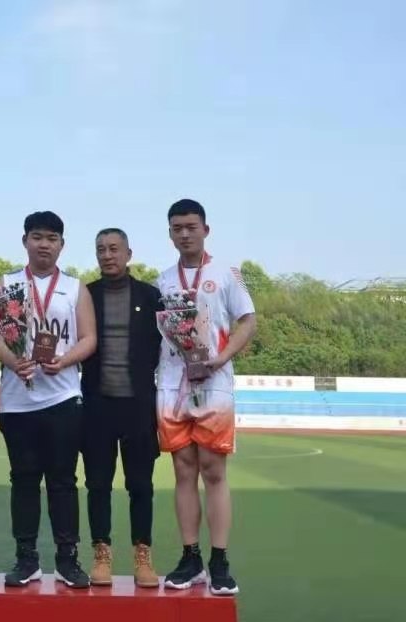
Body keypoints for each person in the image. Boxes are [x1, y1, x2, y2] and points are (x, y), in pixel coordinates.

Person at [0, 211, 97, 589]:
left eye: (52, 238)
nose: (44, 244)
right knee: (23, 480)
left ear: (61, 245)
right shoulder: (6, 284)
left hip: (63, 397)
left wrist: (63, 361)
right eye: (37, 237)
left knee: (63, 481)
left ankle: (67, 560)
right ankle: (27, 559)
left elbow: (89, 338)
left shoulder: (75, 288)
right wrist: (12, 361)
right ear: (25, 241)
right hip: (17, 401)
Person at [156, 199, 256, 596]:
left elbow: (247, 321)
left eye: (191, 227)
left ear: (205, 230)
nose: (184, 234)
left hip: (213, 381)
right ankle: (190, 557)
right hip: (172, 383)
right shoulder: (163, 280)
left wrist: (222, 357)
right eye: (177, 228)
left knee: (213, 470)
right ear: (170, 233)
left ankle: (220, 560)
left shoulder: (227, 274)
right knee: (183, 470)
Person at [80, 228, 162, 587]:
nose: (107, 255)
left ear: (129, 253)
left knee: (141, 485)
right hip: (96, 406)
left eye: (114, 248)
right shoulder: (85, 295)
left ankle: (143, 556)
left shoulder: (151, 296)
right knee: (97, 484)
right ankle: (101, 555)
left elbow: (165, 347)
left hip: (139, 406)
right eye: (101, 249)